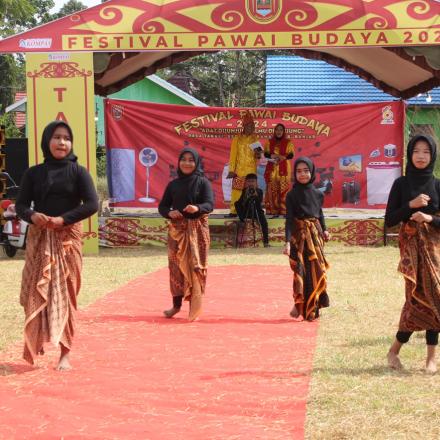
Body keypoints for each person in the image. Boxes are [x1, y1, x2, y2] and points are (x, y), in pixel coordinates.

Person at [15, 121, 98, 370]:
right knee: (34, 291)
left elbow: (92, 204)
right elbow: (21, 206)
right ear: (46, 141)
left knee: (67, 294)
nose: (62, 142)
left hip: (67, 241)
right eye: (56, 137)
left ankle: (65, 353)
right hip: (39, 239)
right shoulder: (33, 173)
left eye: (66, 138)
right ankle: (37, 340)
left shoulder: (79, 172)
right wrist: (32, 216)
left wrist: (63, 219)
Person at [385, 134, 440, 374]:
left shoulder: (438, 184)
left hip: (435, 249)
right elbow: (389, 220)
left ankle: (431, 358)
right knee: (416, 300)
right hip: (411, 250)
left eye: (426, 152)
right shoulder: (401, 184)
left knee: (436, 297)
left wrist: (428, 217)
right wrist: (411, 205)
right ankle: (394, 351)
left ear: (433, 156)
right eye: (416, 151)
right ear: (410, 154)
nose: (421, 156)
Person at [159, 147, 214, 321]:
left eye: (191, 160)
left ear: (196, 162)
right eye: (184, 159)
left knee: (196, 267)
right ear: (179, 162)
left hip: (197, 231)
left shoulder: (203, 182)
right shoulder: (173, 184)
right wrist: (169, 213)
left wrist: (197, 208)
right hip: (177, 232)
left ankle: (195, 308)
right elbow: (162, 206)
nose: (187, 163)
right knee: (176, 268)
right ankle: (176, 306)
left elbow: (209, 204)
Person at [284, 157, 330, 321]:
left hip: (315, 237)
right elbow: (289, 219)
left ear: (312, 172)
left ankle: (313, 308)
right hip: (299, 238)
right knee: (301, 272)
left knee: (316, 271)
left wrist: (324, 230)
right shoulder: (291, 195)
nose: (302, 174)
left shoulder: (318, 193)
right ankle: (299, 304)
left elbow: (320, 213)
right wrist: (287, 242)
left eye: (306, 171)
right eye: (298, 171)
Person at [227, 111, 261, 215]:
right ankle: (234, 211)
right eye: (248, 125)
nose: (251, 128)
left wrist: (257, 154)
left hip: (251, 170)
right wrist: (232, 170)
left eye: (252, 126)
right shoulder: (237, 138)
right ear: (244, 126)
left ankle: (251, 210)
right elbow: (233, 155)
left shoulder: (255, 139)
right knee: (237, 191)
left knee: (251, 191)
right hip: (239, 170)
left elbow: (258, 157)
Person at [264, 123, 295, 216]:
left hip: (284, 168)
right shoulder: (269, 142)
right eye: (277, 130)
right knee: (272, 189)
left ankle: (284, 210)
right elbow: (266, 154)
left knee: (284, 189)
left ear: (283, 131)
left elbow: (291, 155)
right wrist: (272, 156)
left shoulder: (288, 142)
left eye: (281, 130)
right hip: (272, 168)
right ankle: (272, 210)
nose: (279, 132)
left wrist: (282, 157)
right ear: (274, 131)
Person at [234, 173, 269, 247]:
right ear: (246, 182)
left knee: (264, 223)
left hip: (257, 211)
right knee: (236, 203)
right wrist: (246, 196)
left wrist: (255, 195)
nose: (251, 183)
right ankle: (242, 219)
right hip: (247, 211)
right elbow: (241, 203)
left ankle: (266, 242)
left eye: (253, 181)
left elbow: (258, 203)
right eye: (249, 181)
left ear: (256, 182)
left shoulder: (259, 191)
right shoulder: (244, 191)